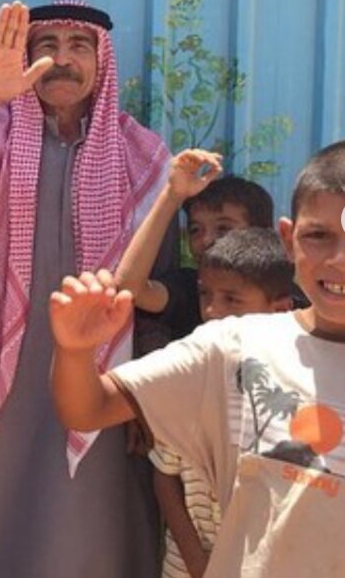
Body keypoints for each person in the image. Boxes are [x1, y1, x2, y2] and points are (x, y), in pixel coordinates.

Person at [0, 0, 170, 576]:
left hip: (109, 375)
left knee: (98, 520)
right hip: (6, 376)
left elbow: (158, 286)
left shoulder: (143, 157)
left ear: (101, 62)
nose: (62, 60)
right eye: (47, 46)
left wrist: (149, 397)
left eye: (78, 46)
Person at [50, 139, 345, 578]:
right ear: (288, 239)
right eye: (319, 236)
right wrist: (75, 350)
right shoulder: (233, 345)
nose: (339, 259)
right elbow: (87, 408)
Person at [151, 226, 294, 578]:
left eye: (232, 299)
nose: (213, 310)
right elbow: (165, 477)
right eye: (205, 295)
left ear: (279, 310)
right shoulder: (189, 378)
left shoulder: (295, 391)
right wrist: (198, 562)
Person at [116, 147, 275, 350]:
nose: (207, 239)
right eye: (195, 230)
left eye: (224, 228)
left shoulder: (288, 292)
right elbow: (130, 288)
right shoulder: (187, 289)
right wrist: (172, 195)